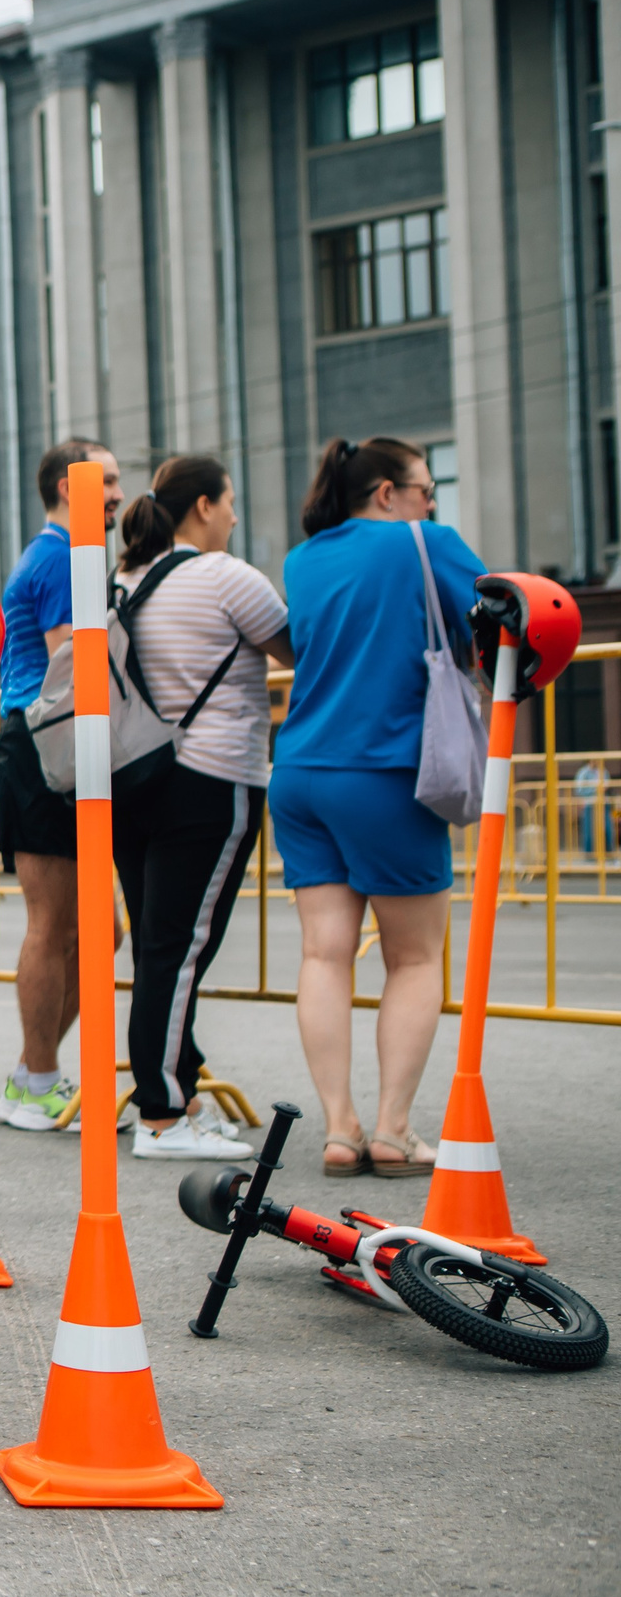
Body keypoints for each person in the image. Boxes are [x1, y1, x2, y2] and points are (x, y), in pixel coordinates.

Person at [272, 437, 481, 1178]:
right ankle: (392, 1129)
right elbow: (502, 619)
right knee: (416, 956)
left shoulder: (304, 559)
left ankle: (339, 1126)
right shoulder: (426, 543)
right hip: (388, 769)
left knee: (324, 953)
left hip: (300, 770)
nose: (432, 502)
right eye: (425, 489)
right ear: (388, 492)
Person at [111, 456, 292, 1162]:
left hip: (133, 780)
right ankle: (161, 1112)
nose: (236, 517)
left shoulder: (124, 580)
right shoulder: (227, 576)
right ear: (206, 506)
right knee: (179, 949)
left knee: (162, 945)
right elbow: (295, 646)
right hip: (211, 776)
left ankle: (174, 1090)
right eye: (231, 503)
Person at [0, 439, 123, 1132]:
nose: (121, 497)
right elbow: (78, 655)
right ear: (73, 488)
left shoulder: (66, 554)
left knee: (103, 932)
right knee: (55, 924)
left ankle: (31, 1069)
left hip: (64, 749)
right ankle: (36, 1076)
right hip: (42, 747)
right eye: (110, 482)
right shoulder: (64, 556)